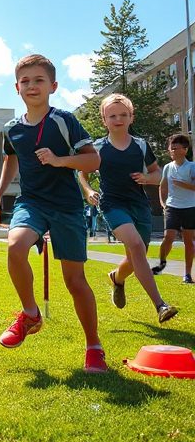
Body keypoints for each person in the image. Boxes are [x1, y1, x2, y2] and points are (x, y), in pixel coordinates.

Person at [0, 54, 108, 373]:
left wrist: (59, 160)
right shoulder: (11, 129)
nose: (32, 86)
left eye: (39, 80)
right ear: (16, 88)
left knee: (75, 280)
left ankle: (94, 346)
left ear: (52, 86)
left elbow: (92, 160)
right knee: (15, 246)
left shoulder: (64, 120)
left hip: (67, 206)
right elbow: (11, 159)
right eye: (25, 81)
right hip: (32, 202)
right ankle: (30, 314)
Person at [79, 94, 178, 324]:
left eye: (123, 114)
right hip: (112, 204)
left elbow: (157, 174)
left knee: (137, 256)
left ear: (131, 117)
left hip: (138, 204)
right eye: (112, 115)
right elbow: (81, 172)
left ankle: (117, 277)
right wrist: (88, 191)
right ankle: (160, 305)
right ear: (104, 119)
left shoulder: (141, 145)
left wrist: (146, 177)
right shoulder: (97, 147)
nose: (118, 119)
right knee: (134, 245)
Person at [152, 133, 195, 284]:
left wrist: (184, 185)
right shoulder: (168, 168)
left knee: (188, 241)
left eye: (175, 149)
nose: (172, 152)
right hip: (172, 207)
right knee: (168, 237)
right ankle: (161, 264)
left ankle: (187, 274)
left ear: (185, 150)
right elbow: (162, 186)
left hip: (190, 208)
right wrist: (163, 203)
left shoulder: (192, 167)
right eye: (171, 149)